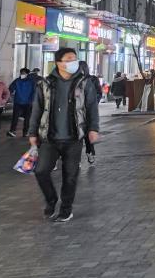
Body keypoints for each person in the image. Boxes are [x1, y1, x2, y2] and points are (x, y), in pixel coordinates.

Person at [28, 48, 101, 222]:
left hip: (74, 137)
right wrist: (32, 132)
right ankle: (51, 200)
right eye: (69, 59)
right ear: (59, 63)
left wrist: (93, 128)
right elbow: (37, 109)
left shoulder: (84, 83)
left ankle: (66, 209)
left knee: (70, 175)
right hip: (49, 137)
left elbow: (91, 107)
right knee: (41, 171)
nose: (73, 62)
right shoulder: (45, 83)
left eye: (74, 59)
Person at [7, 68, 36, 137]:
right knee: (15, 117)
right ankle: (12, 131)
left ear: (27, 74)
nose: (22, 74)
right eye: (21, 73)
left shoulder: (31, 82)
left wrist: (32, 100)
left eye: (24, 73)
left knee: (27, 118)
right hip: (18, 102)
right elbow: (11, 88)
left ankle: (25, 132)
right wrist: (9, 95)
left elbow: (34, 91)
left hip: (28, 103)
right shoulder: (17, 81)